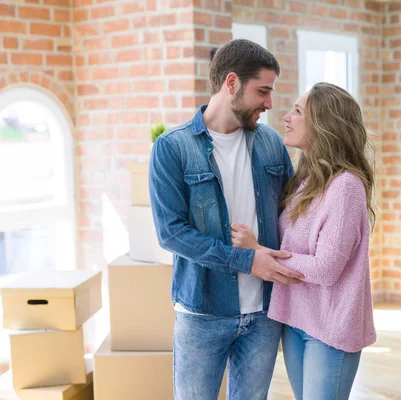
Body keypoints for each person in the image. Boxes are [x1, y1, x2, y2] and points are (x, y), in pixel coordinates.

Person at [149, 39, 303, 400]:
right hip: (202, 311)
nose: (269, 103)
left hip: (264, 313)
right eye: (262, 91)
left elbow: (294, 215)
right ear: (231, 83)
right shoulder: (173, 148)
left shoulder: (270, 144)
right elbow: (171, 233)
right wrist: (246, 259)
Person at [231, 82, 377, 400]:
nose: (286, 117)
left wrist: (258, 251)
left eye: (297, 111)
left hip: (331, 328)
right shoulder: (306, 179)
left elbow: (325, 269)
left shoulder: (346, 186)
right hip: (297, 320)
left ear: (325, 125)